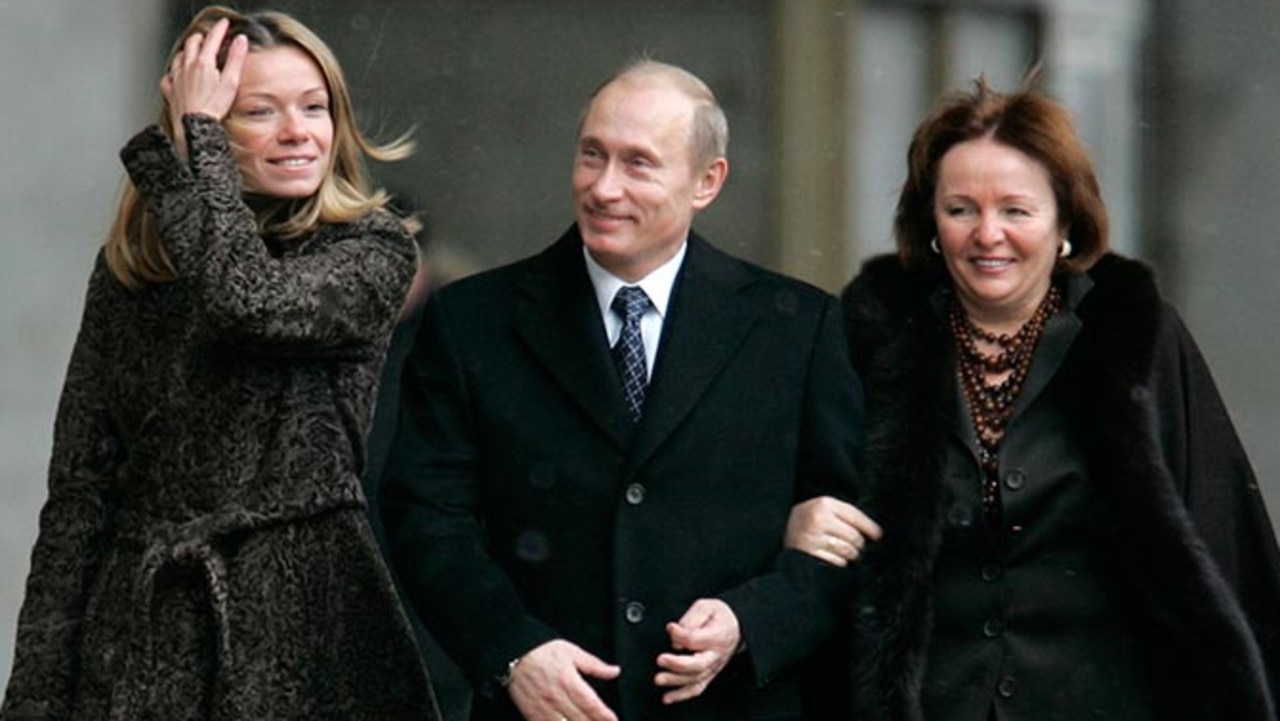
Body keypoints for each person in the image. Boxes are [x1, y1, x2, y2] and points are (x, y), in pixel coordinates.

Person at [381, 60, 877, 721]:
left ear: (707, 181)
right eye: (592, 155)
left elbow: (844, 539)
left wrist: (748, 621)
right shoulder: (474, 321)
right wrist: (512, 648)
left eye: (638, 163)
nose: (603, 186)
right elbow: (424, 517)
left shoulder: (798, 328)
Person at [785, 75, 1280, 720]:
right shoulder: (871, 341)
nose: (988, 234)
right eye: (961, 209)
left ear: (1064, 222)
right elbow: (785, 489)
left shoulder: (1132, 338)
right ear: (931, 223)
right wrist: (790, 524)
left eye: (1016, 210)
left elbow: (1219, 542)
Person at [1, 7, 439, 719]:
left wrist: (194, 142)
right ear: (200, 125)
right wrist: (33, 697)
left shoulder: (371, 249)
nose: (299, 131)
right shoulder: (135, 274)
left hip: (307, 632)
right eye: (258, 111)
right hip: (144, 635)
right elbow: (81, 493)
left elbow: (250, 302)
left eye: (315, 106)